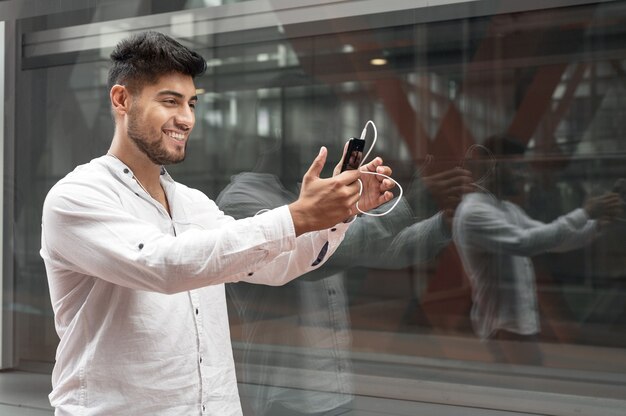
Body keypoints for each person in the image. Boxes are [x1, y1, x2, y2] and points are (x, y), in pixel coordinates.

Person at [39, 31, 396, 416]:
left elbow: (275, 265)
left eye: (191, 103)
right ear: (122, 99)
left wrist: (337, 212)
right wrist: (297, 215)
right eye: (170, 101)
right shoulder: (76, 197)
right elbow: (166, 266)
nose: (186, 118)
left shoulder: (194, 204)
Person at [452, 135, 623, 365]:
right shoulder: (475, 213)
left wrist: (598, 222)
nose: (524, 175)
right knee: (523, 390)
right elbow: (526, 243)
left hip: (516, 325)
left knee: (523, 389)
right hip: (505, 327)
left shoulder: (507, 209)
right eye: (517, 167)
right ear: (493, 168)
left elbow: (554, 239)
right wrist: (586, 213)